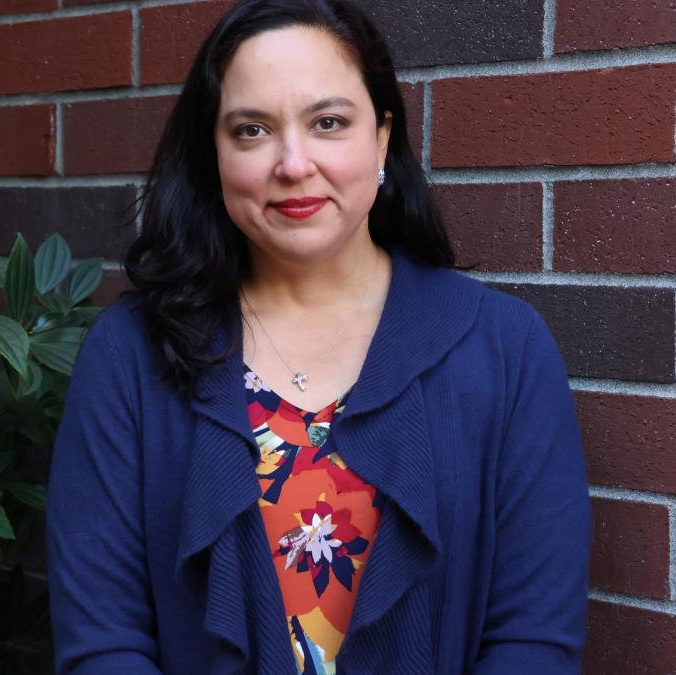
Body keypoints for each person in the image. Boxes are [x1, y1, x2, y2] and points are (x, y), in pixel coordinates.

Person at [44, 0, 592, 673]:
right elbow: (103, 644)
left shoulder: (507, 352)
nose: (293, 162)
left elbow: (533, 641)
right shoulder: (128, 356)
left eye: (328, 122)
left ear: (383, 136)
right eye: (251, 130)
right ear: (213, 153)